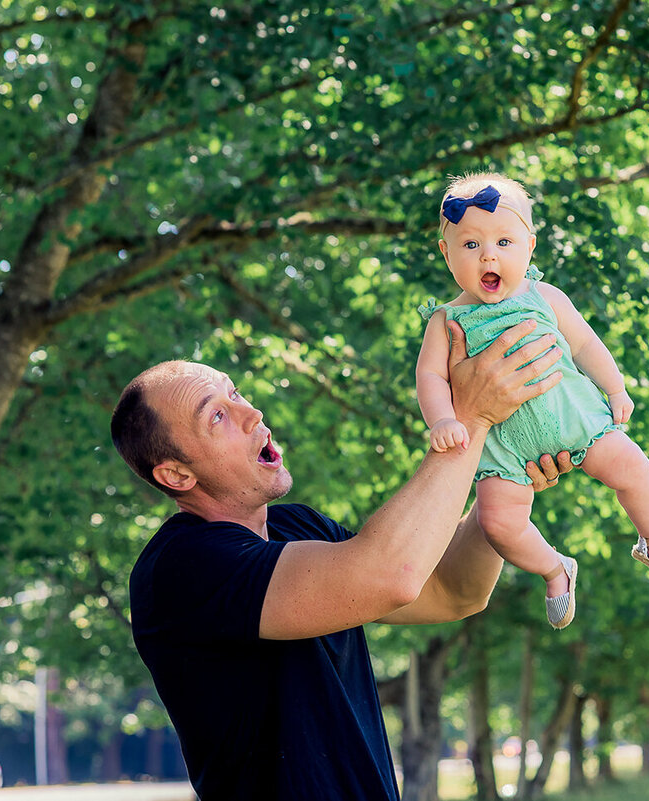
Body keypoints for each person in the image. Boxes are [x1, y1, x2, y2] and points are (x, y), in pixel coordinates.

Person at [112, 320, 573, 801]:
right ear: (177, 474)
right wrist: (471, 419)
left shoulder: (299, 529)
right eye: (217, 417)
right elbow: (390, 575)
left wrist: (499, 489)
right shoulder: (180, 568)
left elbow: (453, 590)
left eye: (237, 394)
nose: (251, 413)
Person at [415, 172, 649, 630]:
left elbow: (585, 345)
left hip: (574, 420)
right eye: (470, 245)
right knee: (497, 525)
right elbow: (429, 376)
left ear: (530, 246)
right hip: (503, 449)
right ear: (446, 253)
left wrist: (616, 388)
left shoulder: (544, 296)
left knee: (632, 467)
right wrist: (443, 419)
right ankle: (554, 568)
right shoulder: (445, 321)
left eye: (504, 241)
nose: (489, 255)